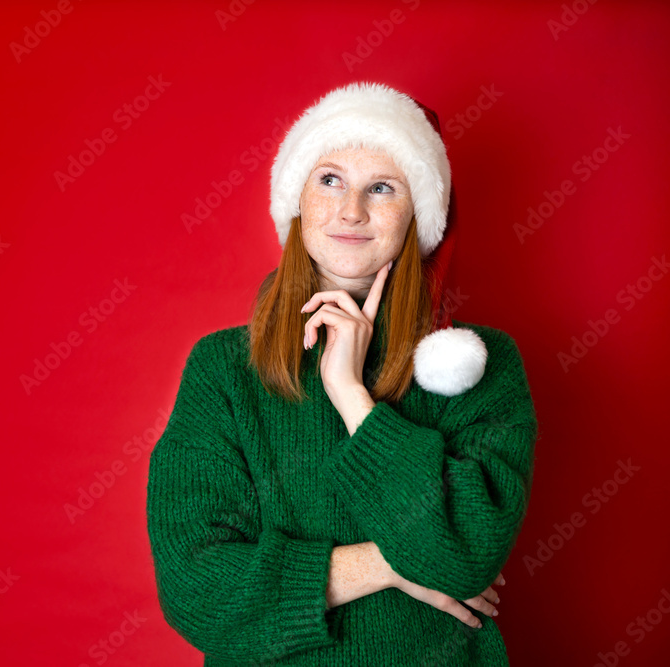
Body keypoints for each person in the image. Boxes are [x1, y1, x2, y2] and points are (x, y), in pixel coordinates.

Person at [146, 82, 539, 666]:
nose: (352, 210)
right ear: (298, 201)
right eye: (330, 179)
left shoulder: (481, 365)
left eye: (382, 187)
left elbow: (462, 557)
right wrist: (390, 565)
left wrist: (353, 396)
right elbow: (197, 590)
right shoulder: (223, 369)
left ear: (418, 216)